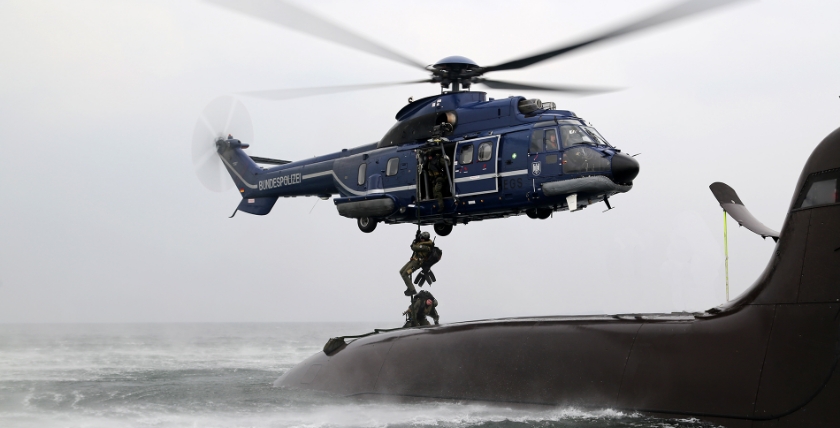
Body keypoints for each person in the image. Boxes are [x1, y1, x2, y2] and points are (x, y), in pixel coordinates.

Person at [399, 231, 434, 296]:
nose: (421, 239)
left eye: (422, 238)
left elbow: (414, 247)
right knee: (401, 271)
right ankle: (409, 287)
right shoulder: (422, 243)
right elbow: (415, 245)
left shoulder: (426, 246)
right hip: (413, 260)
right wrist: (416, 238)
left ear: (425, 239)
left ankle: (412, 290)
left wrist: (416, 240)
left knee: (405, 274)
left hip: (417, 263)